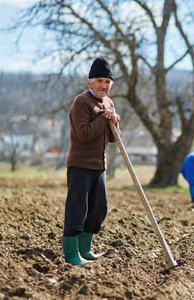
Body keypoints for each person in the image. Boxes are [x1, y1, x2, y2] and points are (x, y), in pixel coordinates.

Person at [61, 57, 121, 265]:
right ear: (90, 82)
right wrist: (103, 118)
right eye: (100, 81)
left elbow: (113, 138)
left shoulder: (108, 103)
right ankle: (71, 254)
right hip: (80, 164)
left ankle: (85, 249)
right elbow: (85, 134)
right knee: (77, 208)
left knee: (98, 208)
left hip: (99, 165)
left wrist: (113, 121)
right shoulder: (82, 102)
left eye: (107, 82)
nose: (104, 85)